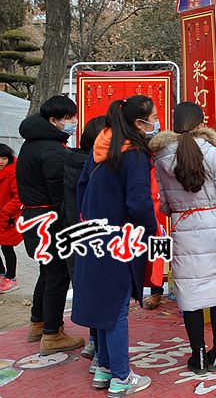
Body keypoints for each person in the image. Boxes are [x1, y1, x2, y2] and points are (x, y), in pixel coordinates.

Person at [73, 95, 158, 396]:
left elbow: (81, 188)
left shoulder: (102, 146)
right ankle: (122, 377)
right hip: (119, 239)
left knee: (104, 304)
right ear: (139, 123)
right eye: (153, 118)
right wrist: (152, 230)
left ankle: (105, 368)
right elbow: (139, 203)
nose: (156, 123)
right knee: (118, 309)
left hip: (92, 235)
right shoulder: (133, 155)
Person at [151, 102, 216, 375]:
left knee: (191, 296)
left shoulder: (161, 156)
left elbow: (164, 204)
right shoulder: (211, 151)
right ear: (201, 123)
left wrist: (181, 210)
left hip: (184, 229)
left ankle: (198, 356)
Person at [17, 94, 84, 353]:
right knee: (58, 274)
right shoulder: (52, 151)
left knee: (47, 272)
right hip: (50, 221)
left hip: (34, 219)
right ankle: (52, 334)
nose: (73, 122)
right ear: (53, 120)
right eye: (68, 118)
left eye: (74, 116)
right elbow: (60, 195)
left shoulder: (32, 144)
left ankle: (38, 323)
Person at [62, 115, 107, 363]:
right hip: (97, 239)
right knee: (105, 297)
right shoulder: (99, 167)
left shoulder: (71, 162)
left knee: (88, 290)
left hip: (74, 234)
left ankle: (93, 342)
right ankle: (102, 355)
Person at [0, 144, 22, 293]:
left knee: (7, 248)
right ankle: (2, 273)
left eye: (4, 158)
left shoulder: (12, 174)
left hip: (7, 218)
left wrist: (5, 212)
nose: (1, 161)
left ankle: (11, 277)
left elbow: (18, 197)